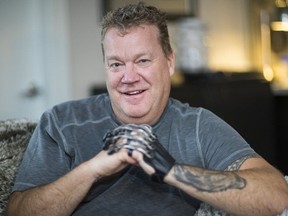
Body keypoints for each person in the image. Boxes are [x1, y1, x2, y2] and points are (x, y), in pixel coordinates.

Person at [6, 2, 288, 216]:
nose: (128, 78)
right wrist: (94, 168)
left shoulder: (198, 126)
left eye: (142, 61)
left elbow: (276, 195)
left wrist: (172, 171)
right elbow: (18, 212)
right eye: (116, 64)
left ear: (169, 62)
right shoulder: (63, 122)